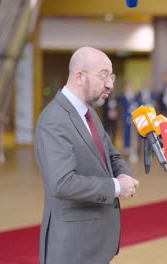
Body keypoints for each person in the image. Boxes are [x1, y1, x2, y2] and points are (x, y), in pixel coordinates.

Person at [34, 47, 140, 264]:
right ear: (80, 77)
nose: (110, 84)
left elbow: (112, 156)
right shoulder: (54, 120)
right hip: (73, 248)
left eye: (111, 76)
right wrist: (116, 187)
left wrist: (124, 176)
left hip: (94, 243)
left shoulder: (88, 112)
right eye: (103, 76)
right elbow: (62, 183)